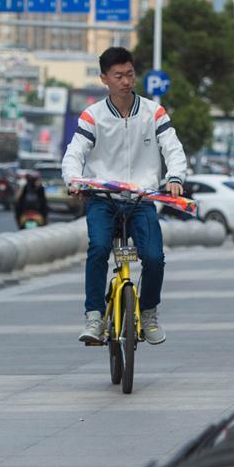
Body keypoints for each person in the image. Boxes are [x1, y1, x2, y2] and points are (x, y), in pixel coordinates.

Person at [62, 47, 187, 345]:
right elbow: (74, 153)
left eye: (130, 74)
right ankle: (94, 317)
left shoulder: (153, 112)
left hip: (142, 199)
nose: (126, 81)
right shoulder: (93, 116)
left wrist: (175, 177)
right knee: (98, 249)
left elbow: (173, 148)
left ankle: (149, 313)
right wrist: (74, 181)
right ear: (104, 78)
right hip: (103, 199)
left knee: (155, 258)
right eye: (118, 76)